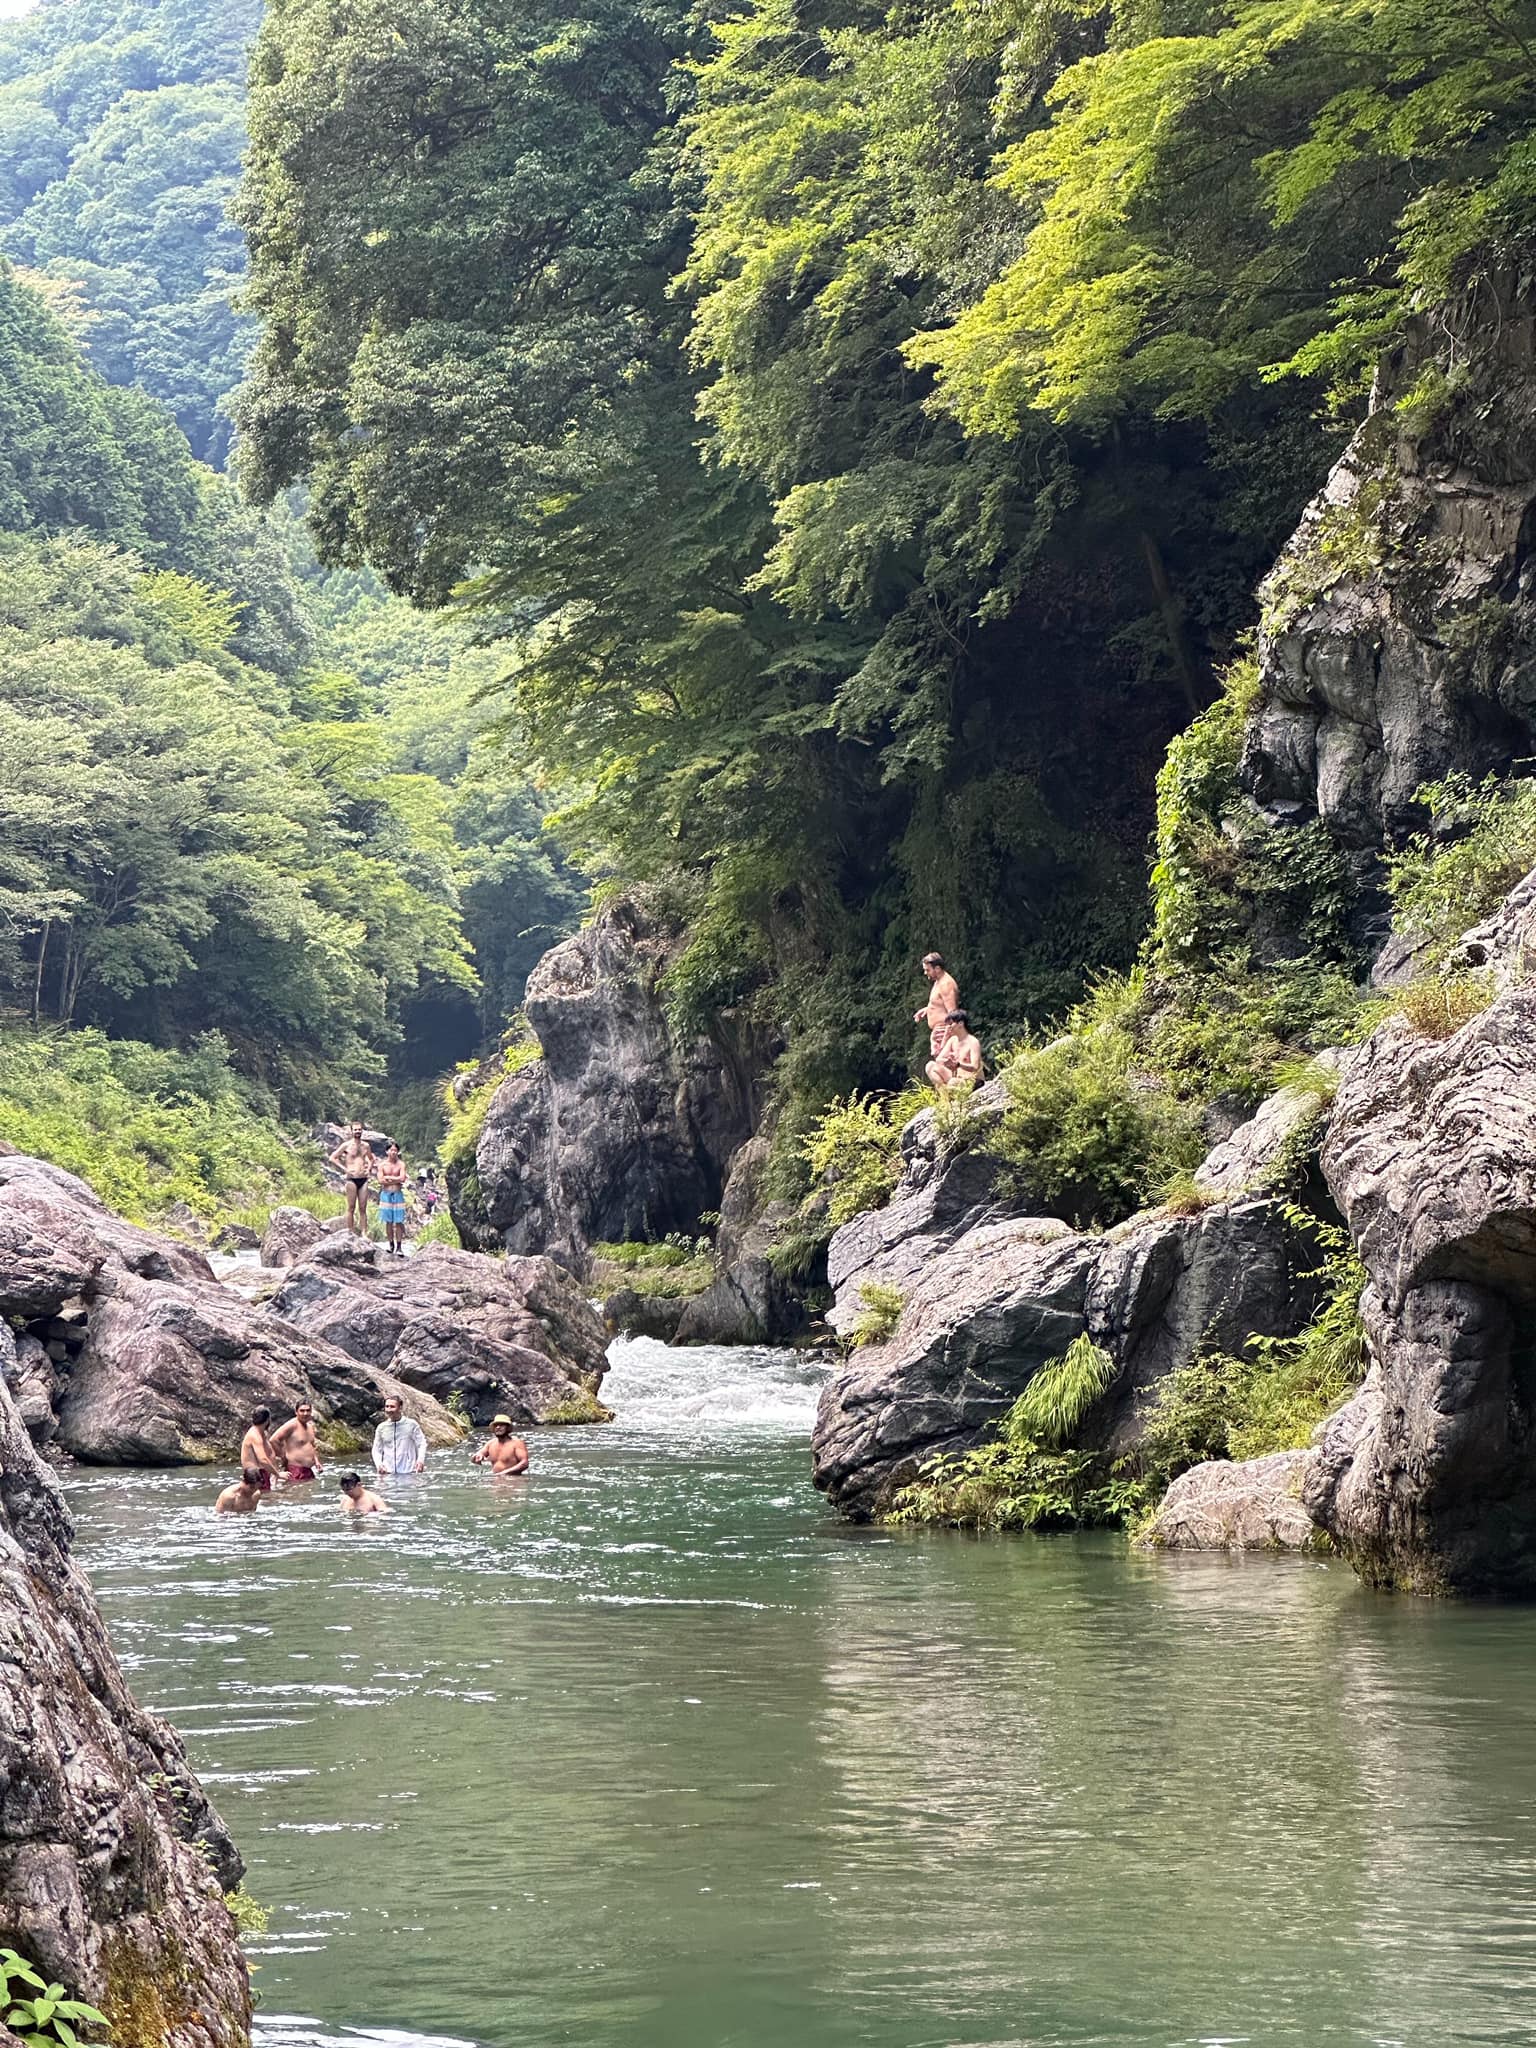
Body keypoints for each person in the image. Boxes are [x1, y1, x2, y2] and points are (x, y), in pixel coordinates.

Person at [914, 953, 961, 1065]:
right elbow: (939, 1003)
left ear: (938, 968)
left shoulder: (946, 984)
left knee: (946, 1063)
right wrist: (927, 1009)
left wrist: (945, 1041)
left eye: (928, 970)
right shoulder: (938, 982)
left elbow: (952, 1014)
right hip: (939, 1030)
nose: (925, 973)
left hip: (944, 1030)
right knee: (942, 1063)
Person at [329, 1123, 375, 1235]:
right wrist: (345, 1169)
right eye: (355, 1130)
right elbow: (333, 1158)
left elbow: (371, 1158)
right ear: (351, 1131)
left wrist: (368, 1169)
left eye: (359, 1130)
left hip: (363, 1179)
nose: (358, 1131)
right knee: (351, 1207)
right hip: (351, 1178)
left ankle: (364, 1233)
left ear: (362, 1131)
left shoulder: (366, 1146)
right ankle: (351, 1231)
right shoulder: (346, 1145)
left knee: (363, 1208)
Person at [926, 1010, 983, 1093]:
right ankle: (944, 1097)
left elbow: (975, 1067)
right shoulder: (953, 1040)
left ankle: (949, 1094)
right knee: (930, 1066)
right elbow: (939, 1060)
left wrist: (958, 1064)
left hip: (972, 1080)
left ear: (961, 1023)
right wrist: (949, 1061)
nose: (948, 1027)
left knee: (952, 1082)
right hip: (956, 1077)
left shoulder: (973, 1042)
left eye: (951, 1024)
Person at [372, 1394, 427, 1477]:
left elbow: (422, 1443)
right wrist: (379, 1464)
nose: (389, 1410)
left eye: (392, 1407)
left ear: (400, 1408)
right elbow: (376, 1449)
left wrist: (420, 1460)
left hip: (409, 1472)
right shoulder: (381, 1428)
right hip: (388, 1473)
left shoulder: (411, 1424)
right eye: (387, 1406)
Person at [270, 1399, 322, 1484]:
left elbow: (312, 1445)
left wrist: (317, 1461)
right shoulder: (292, 1425)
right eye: (302, 1411)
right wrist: (283, 1456)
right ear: (296, 1412)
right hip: (295, 1469)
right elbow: (273, 1440)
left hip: (308, 1470)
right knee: (295, 1495)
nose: (305, 1413)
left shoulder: (310, 1427)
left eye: (308, 1410)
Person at [239, 1407, 282, 1494]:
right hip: (255, 1476)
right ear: (268, 1420)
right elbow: (262, 1460)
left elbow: (269, 1454)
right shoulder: (255, 1435)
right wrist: (278, 1474)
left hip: (264, 1474)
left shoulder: (262, 1433)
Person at [378, 1141, 408, 1257]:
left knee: (399, 1221)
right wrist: (395, 1179)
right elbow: (380, 1180)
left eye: (395, 1150)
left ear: (398, 1152)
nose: (393, 1152)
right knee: (388, 1222)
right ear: (387, 1151)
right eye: (391, 1150)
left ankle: (399, 1247)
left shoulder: (401, 1164)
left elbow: (402, 1178)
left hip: (397, 1194)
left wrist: (389, 1177)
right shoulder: (382, 1165)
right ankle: (391, 1245)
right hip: (385, 1194)